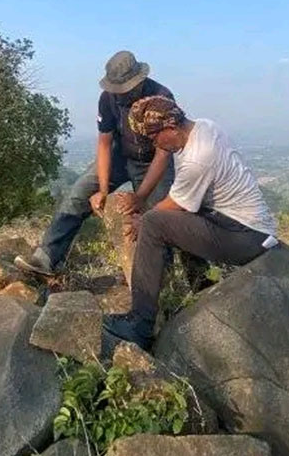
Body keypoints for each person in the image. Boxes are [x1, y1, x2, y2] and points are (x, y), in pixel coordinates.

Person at [102, 95, 279, 350]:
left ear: (171, 127)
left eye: (153, 138)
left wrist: (140, 221)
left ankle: (140, 324)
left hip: (245, 235)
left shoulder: (198, 157)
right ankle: (202, 286)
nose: (154, 145)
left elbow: (177, 204)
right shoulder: (203, 127)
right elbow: (179, 194)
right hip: (243, 226)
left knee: (154, 223)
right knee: (172, 221)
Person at [15, 51, 175, 275]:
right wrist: (102, 189)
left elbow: (163, 154)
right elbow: (104, 144)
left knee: (163, 216)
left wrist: (139, 197)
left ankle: (171, 281)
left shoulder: (160, 97)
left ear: (138, 83)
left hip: (153, 161)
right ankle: (46, 258)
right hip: (120, 157)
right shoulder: (108, 98)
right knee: (78, 195)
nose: (119, 95)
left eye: (123, 90)